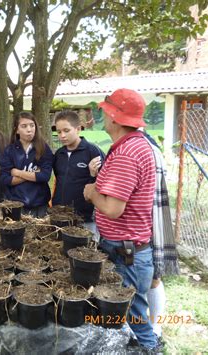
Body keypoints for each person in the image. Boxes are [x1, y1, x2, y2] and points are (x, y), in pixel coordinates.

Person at [83, 88, 160, 352]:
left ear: (114, 117)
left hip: (125, 252)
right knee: (130, 313)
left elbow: (113, 209)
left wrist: (93, 193)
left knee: (134, 316)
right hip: (128, 249)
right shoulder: (134, 145)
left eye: (105, 111)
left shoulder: (127, 154)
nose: (102, 116)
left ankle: (150, 349)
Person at [141, 130, 179, 344]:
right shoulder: (128, 144)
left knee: (154, 277)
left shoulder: (145, 147)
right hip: (142, 222)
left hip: (149, 221)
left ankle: (155, 328)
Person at [52, 110, 105, 235]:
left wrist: (93, 175)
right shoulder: (59, 154)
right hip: (60, 217)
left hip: (85, 218)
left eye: (66, 130)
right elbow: (58, 181)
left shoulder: (93, 151)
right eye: (58, 132)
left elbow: (104, 184)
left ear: (78, 129)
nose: (62, 136)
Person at [0, 112, 53, 218]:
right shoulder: (9, 150)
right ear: (17, 129)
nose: (29, 129)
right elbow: (5, 179)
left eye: (32, 125)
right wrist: (33, 174)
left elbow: (45, 176)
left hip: (40, 205)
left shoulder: (43, 148)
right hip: (16, 206)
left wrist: (18, 173)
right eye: (24, 126)